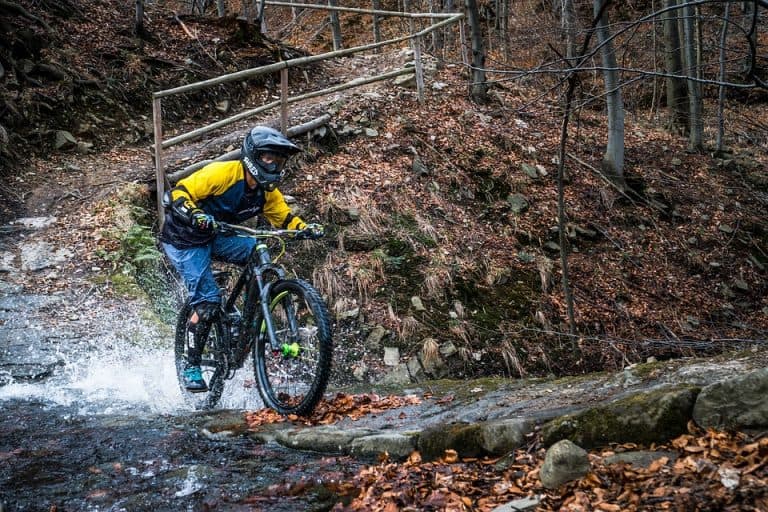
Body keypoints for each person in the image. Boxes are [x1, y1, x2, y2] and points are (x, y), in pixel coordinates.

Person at [161, 126, 324, 392]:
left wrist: (304, 228)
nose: (274, 165)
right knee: (208, 303)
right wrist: (195, 215)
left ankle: (247, 318)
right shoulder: (222, 173)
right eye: (269, 158)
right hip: (184, 239)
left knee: (257, 249)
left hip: (219, 235)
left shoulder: (267, 192)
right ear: (253, 156)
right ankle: (191, 364)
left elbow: (284, 218)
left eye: (279, 160)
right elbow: (178, 194)